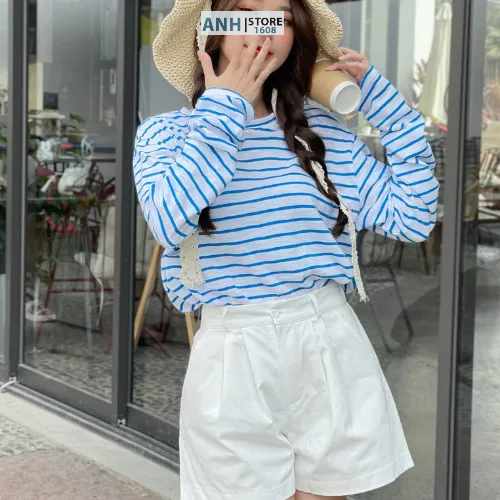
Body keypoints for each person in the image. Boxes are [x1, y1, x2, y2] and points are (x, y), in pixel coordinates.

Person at [133, 0, 439, 498]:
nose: (264, 29)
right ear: (211, 29)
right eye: (246, 11)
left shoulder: (320, 135)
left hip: (326, 340)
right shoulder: (167, 135)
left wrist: (388, 110)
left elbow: (413, 217)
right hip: (233, 351)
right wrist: (225, 107)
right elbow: (168, 221)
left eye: (280, 17)